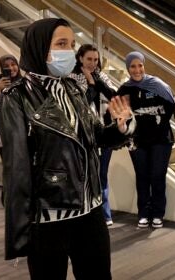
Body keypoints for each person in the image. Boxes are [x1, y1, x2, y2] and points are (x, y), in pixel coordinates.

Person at [0, 18, 134, 279]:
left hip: (91, 209)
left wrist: (119, 127)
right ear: (39, 48)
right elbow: (17, 169)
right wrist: (20, 233)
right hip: (49, 217)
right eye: (61, 43)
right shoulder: (17, 98)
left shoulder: (73, 88)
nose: (68, 51)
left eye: (71, 44)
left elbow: (94, 136)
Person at [117, 51, 175, 229]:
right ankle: (143, 213)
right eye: (132, 66)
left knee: (157, 176)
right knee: (142, 176)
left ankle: (158, 213)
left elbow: (170, 108)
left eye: (139, 65)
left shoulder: (157, 85)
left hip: (160, 140)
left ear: (144, 65)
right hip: (137, 141)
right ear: (128, 68)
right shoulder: (125, 89)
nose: (137, 70)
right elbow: (120, 114)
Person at [70, 44, 117, 226]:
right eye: (89, 59)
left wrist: (97, 81)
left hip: (102, 132)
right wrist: (89, 83)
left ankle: (104, 214)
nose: (92, 63)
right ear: (80, 58)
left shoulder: (101, 76)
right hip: (82, 134)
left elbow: (113, 95)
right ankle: (87, 212)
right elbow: (80, 105)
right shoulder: (71, 78)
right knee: (85, 174)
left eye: (95, 60)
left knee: (102, 175)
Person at [0, 54, 22, 157]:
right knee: (9, 167)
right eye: (6, 66)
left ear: (18, 65)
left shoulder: (26, 84)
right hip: (3, 135)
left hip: (23, 134)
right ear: (2, 68)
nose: (11, 68)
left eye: (13, 64)